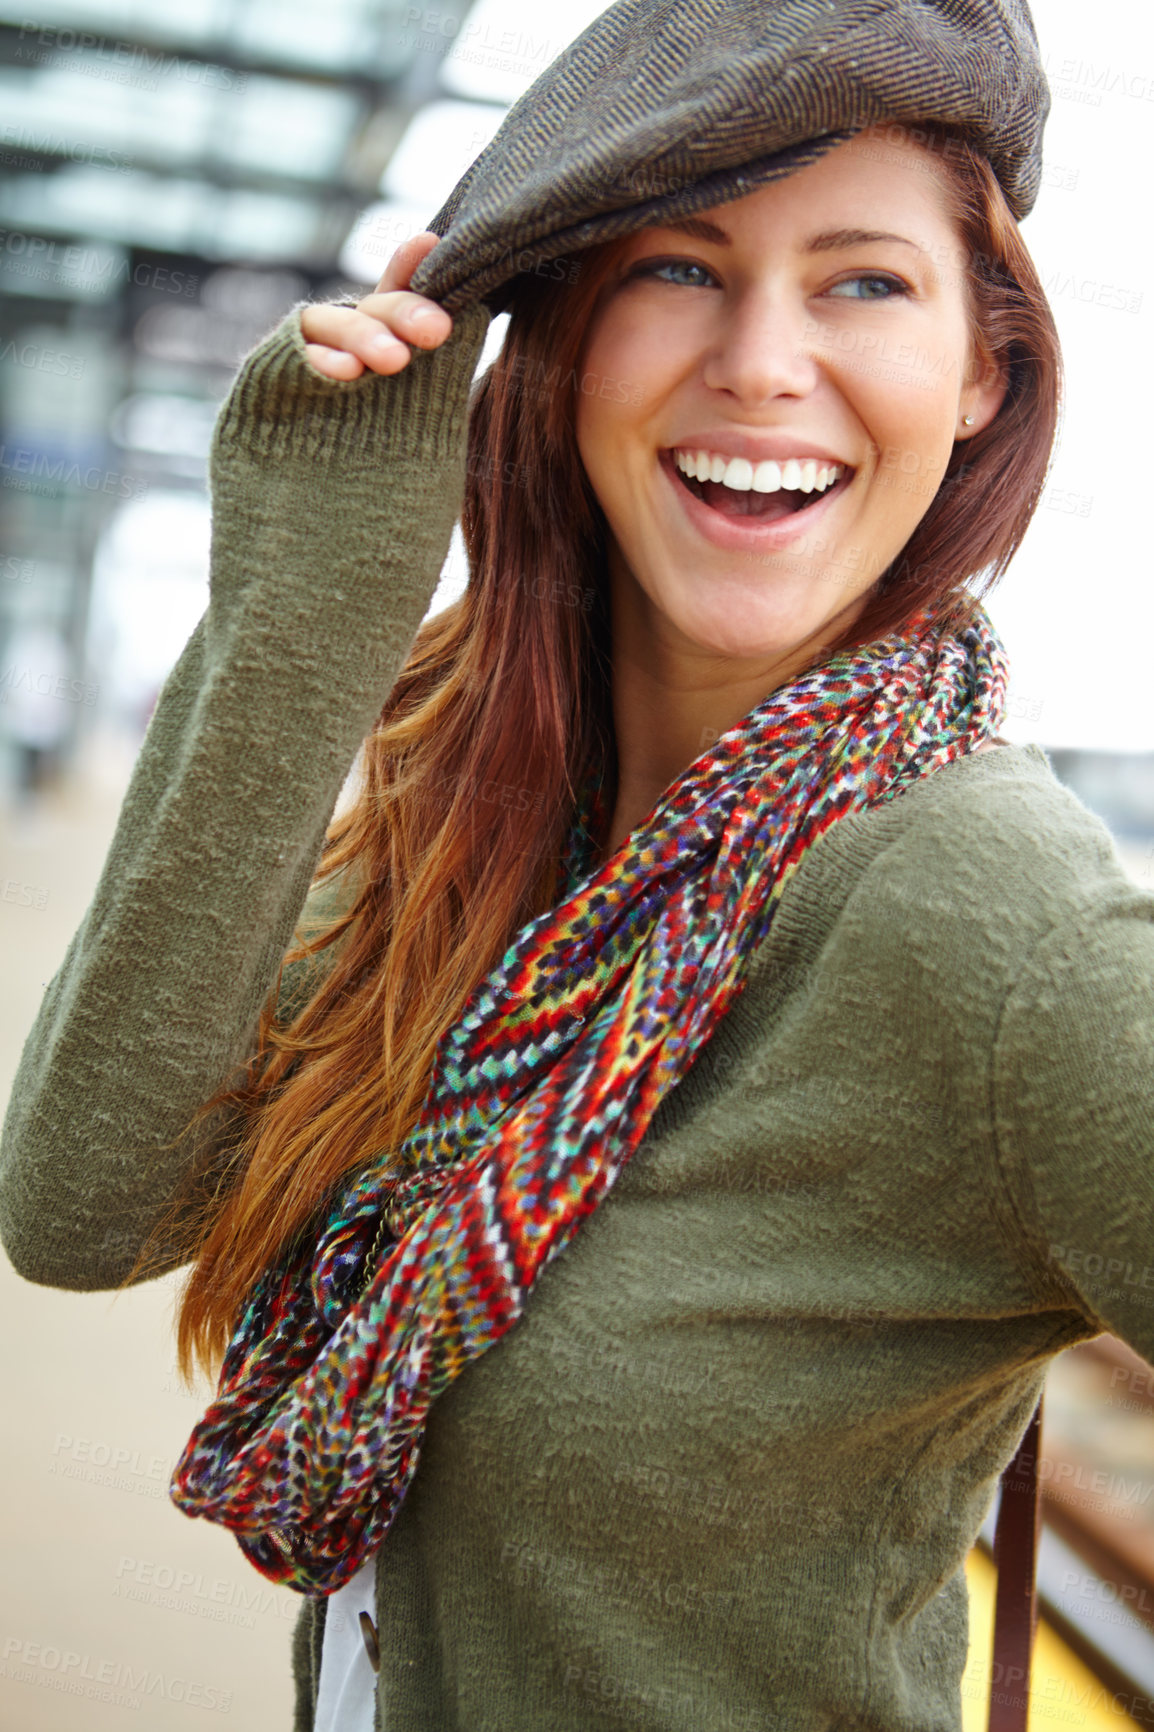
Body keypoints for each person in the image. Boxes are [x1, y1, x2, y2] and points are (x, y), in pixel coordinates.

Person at [2, 2, 1152, 1729]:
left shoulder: (995, 918)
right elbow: (82, 1206)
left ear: (981, 368)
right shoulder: (484, 820)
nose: (763, 360)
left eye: (861, 281)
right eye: (675, 271)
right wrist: (305, 598)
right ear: (551, 341)